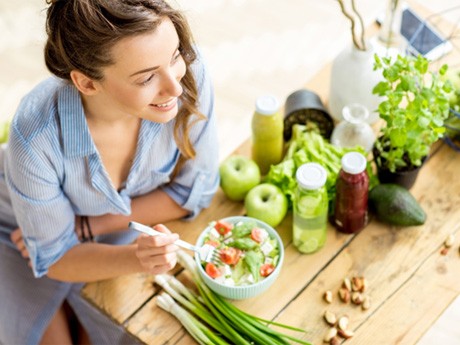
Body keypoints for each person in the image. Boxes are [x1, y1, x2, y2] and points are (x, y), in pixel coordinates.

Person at [0, 0, 219, 344]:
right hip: (15, 231)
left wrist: (90, 226)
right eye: (147, 77)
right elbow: (57, 256)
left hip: (99, 230)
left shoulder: (187, 77)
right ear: (86, 83)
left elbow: (196, 190)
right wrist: (136, 257)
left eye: (174, 55)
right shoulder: (35, 133)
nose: (175, 87)